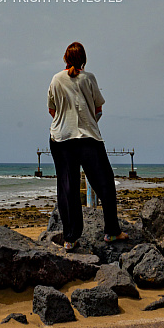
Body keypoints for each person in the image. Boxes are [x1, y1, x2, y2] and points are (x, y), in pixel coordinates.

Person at [47, 41, 127, 251]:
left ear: (65, 58)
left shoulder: (56, 79)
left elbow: (52, 110)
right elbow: (99, 108)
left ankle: (70, 238)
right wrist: (88, 121)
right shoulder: (89, 78)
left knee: (67, 187)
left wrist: (67, 123)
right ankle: (111, 231)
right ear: (84, 60)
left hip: (61, 139)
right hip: (87, 137)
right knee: (105, 183)